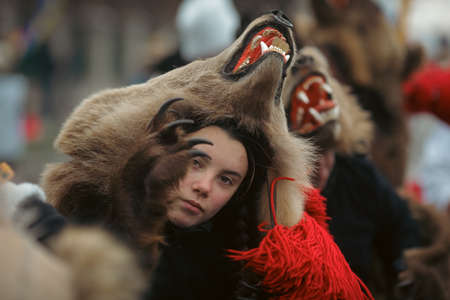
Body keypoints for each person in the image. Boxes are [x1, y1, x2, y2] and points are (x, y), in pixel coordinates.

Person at [283, 47, 421, 297]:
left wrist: (403, 267)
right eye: (310, 157)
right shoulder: (270, 190)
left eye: (327, 154)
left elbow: (401, 224)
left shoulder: (358, 175)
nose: (321, 169)